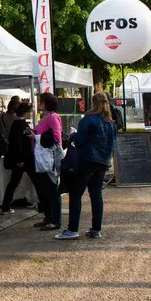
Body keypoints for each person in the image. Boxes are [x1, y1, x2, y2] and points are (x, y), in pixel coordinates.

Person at [55, 92, 117, 240]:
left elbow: (80, 140)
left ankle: (73, 229)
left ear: (93, 102)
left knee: (76, 194)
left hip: (87, 160)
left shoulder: (88, 119)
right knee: (96, 195)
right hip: (103, 161)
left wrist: (73, 135)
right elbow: (113, 145)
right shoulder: (111, 123)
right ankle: (96, 229)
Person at [32, 92, 62, 231]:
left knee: (52, 190)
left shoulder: (52, 118)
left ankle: (55, 220)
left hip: (49, 159)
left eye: (41, 102)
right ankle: (48, 217)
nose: (39, 104)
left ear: (46, 103)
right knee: (44, 190)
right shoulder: (46, 117)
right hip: (41, 159)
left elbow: (56, 138)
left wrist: (36, 137)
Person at [1, 102, 37, 214]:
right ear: (26, 112)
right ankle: (5, 206)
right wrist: (20, 159)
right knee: (34, 182)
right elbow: (18, 143)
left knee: (14, 183)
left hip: (22, 159)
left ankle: (5, 206)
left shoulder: (18, 124)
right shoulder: (20, 124)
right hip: (23, 160)